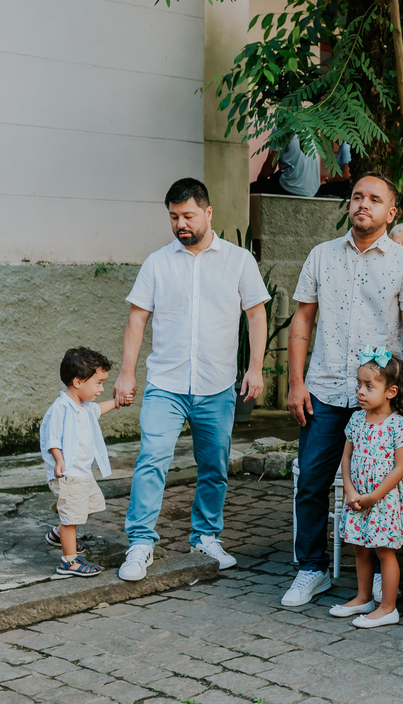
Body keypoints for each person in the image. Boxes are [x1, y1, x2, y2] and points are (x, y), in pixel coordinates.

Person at [282, 173, 403, 608]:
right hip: (324, 389)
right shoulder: (321, 256)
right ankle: (311, 569)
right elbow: (303, 320)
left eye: (375, 199)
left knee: (389, 486)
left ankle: (387, 577)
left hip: (383, 400)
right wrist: (295, 382)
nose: (364, 204)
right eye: (358, 197)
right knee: (312, 481)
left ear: (391, 212)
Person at [114, 178, 270, 582]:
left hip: (216, 385)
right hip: (165, 384)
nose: (180, 224)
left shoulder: (238, 261)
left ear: (208, 213)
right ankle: (141, 543)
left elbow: (256, 314)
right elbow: (137, 318)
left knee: (214, 466)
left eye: (187, 216)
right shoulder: (157, 263)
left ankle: (205, 537)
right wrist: (127, 373)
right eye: (173, 217)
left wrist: (255, 368)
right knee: (152, 460)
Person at [331, 349, 403, 629]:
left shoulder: (400, 426)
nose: (360, 391)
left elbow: (400, 468)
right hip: (358, 496)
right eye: (359, 384)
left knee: (384, 550)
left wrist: (374, 496)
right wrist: (350, 490)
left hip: (384, 500)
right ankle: (363, 598)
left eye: (369, 386)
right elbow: (346, 457)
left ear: (391, 391)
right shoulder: (356, 421)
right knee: (360, 547)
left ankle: (387, 608)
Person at [40, 348, 117, 578]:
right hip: (68, 473)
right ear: (77, 381)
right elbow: (52, 438)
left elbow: (98, 410)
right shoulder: (61, 407)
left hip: (83, 473)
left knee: (90, 507)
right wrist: (59, 460)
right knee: (73, 517)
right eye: (98, 383)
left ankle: (59, 533)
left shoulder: (83, 406)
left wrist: (117, 401)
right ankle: (69, 562)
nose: (101, 389)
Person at [250, 134, 352, 198]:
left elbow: (270, 165)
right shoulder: (310, 130)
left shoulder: (346, 146)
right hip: (311, 189)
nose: (329, 135)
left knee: (252, 188)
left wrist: (327, 180)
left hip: (292, 187)